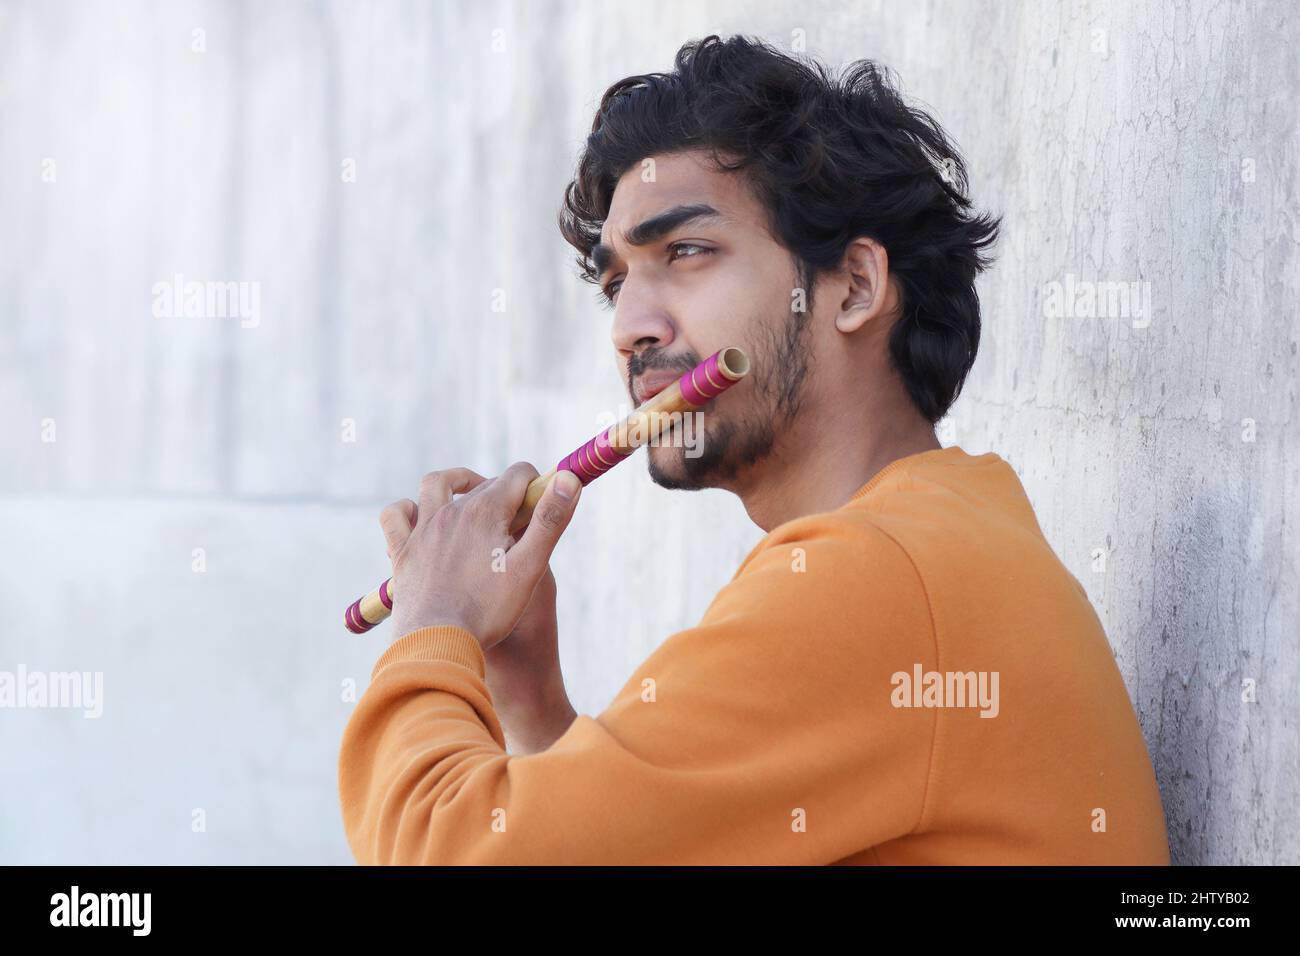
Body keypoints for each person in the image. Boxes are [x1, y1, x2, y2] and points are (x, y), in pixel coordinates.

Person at [337, 34, 1170, 865]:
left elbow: (443, 850)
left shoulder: (880, 576)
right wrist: (528, 699)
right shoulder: (936, 537)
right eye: (616, 283)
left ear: (854, 288)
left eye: (687, 253)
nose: (631, 328)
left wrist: (431, 621)